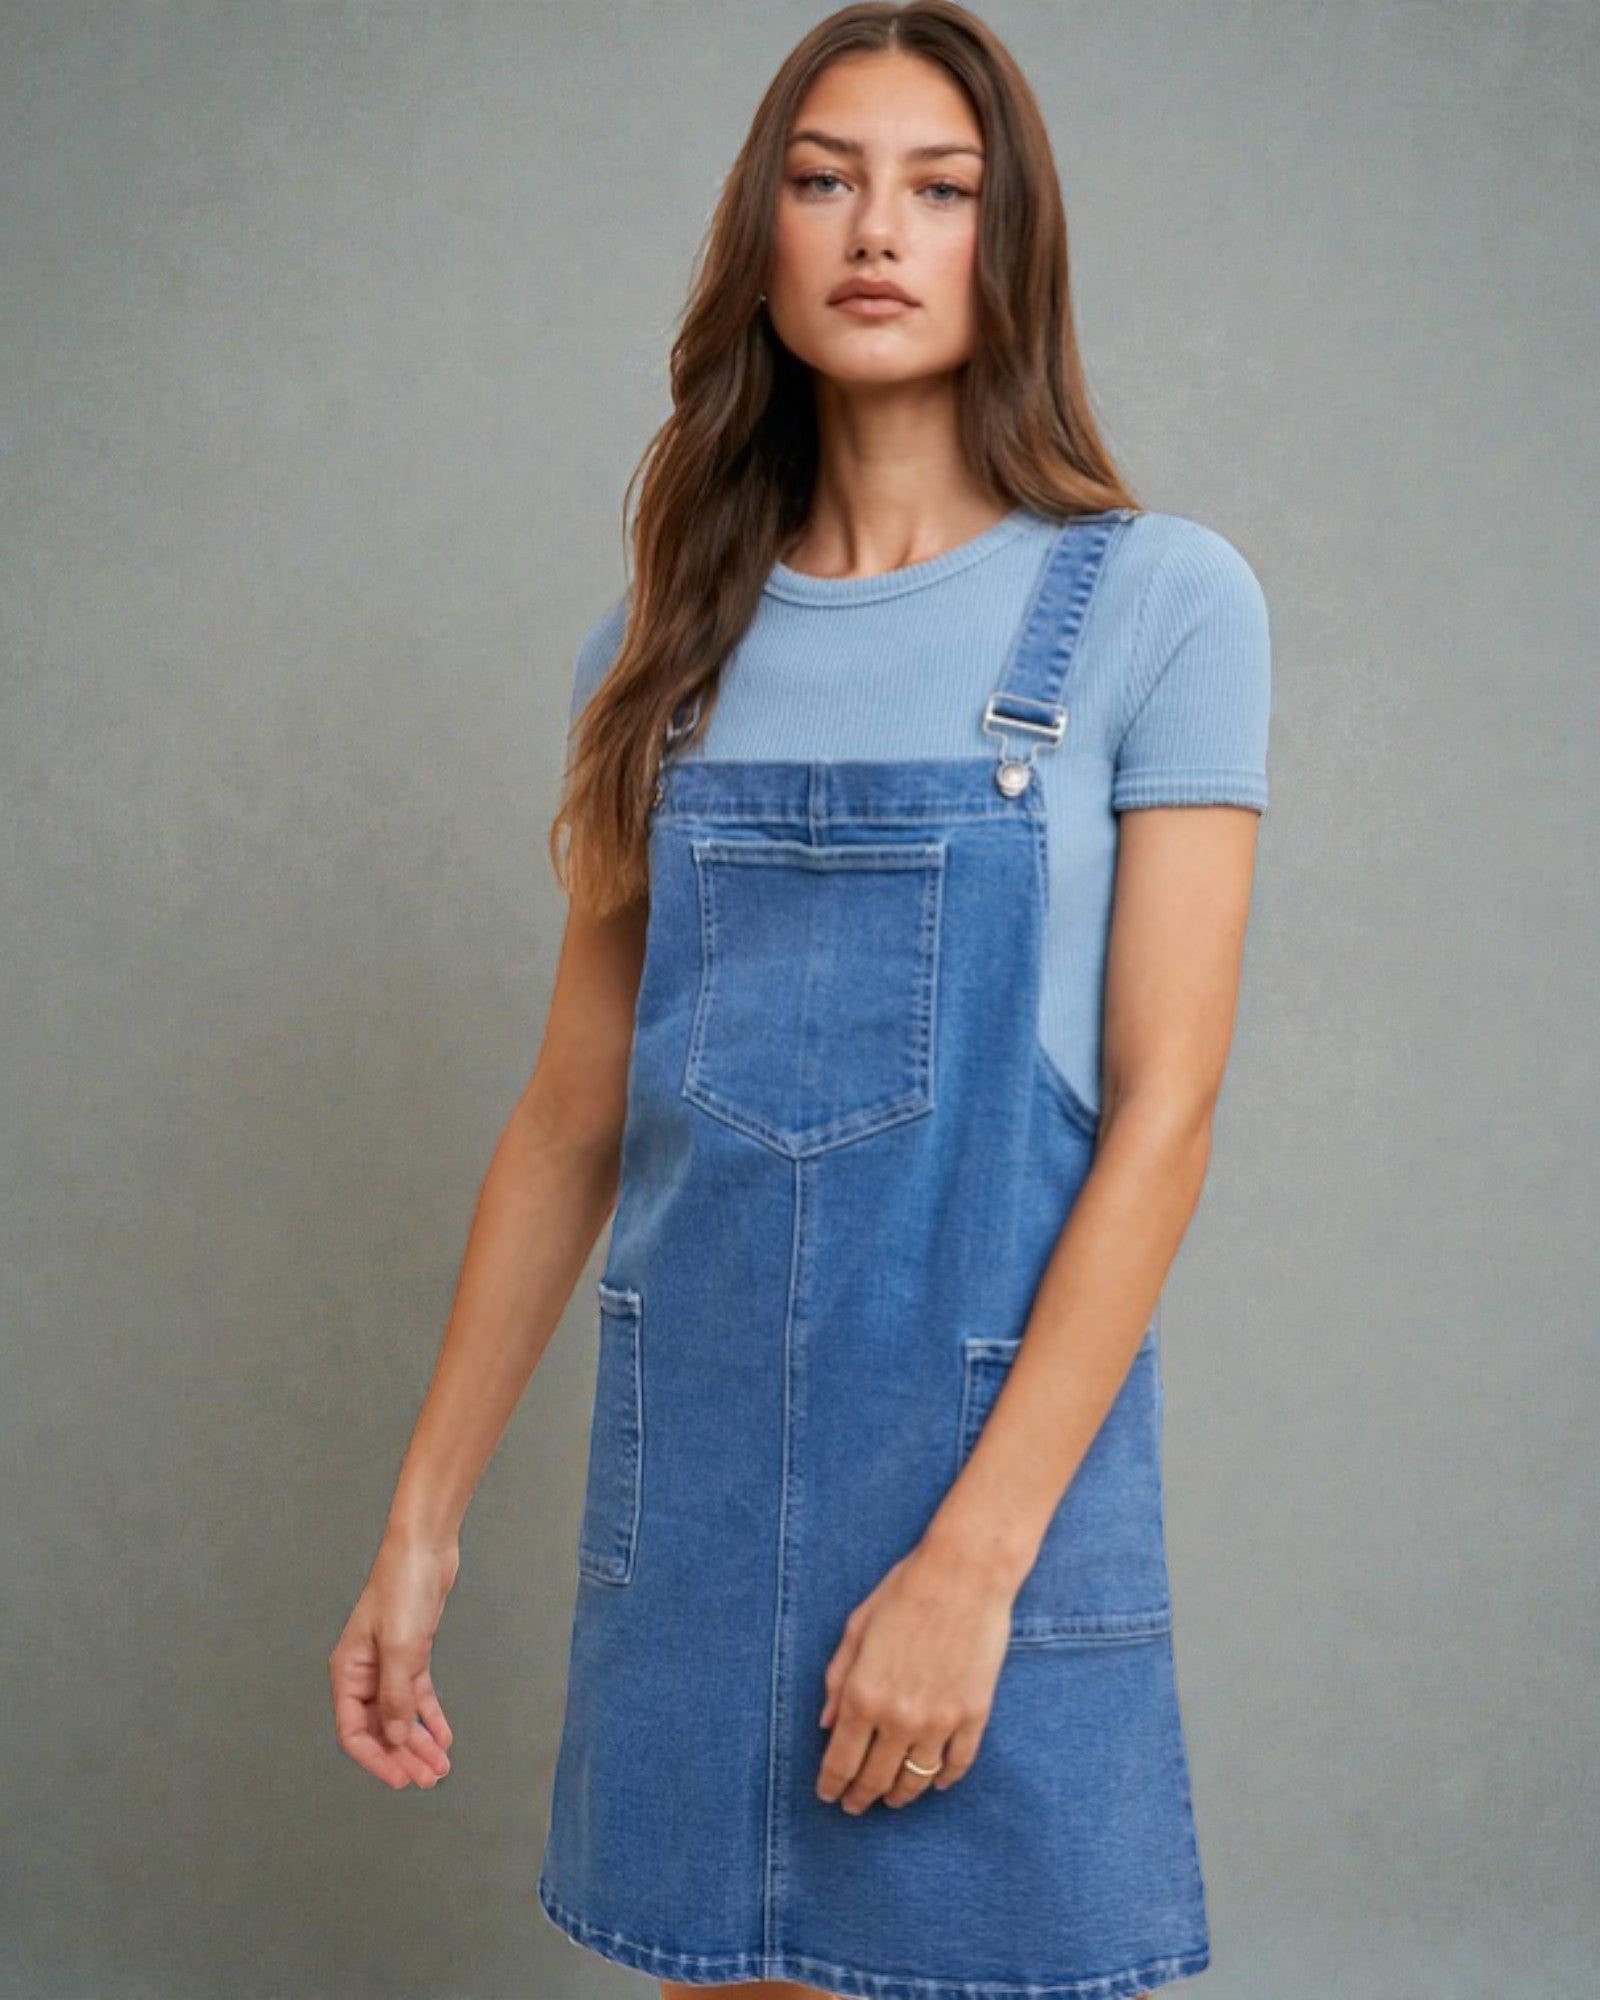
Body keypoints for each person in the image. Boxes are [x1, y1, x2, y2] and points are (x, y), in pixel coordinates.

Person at [328, 5, 1271, 1998]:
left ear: (1001, 249)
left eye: (941, 191)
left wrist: (970, 1562)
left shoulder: (1159, 603)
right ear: (758, 232)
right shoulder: (658, 653)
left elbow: (1161, 1123)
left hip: (985, 1506)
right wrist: (422, 1524)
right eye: (822, 177)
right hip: (699, 1519)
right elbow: (572, 1117)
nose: (876, 229)